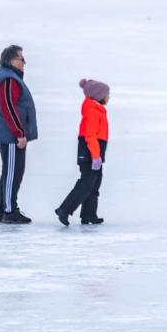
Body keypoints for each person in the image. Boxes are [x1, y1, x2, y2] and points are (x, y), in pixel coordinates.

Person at [0, 45, 38, 224]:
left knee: (12, 171)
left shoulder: (6, 76)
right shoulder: (8, 79)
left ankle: (4, 209)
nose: (24, 63)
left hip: (9, 133)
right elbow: (8, 107)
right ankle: (8, 211)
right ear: (11, 60)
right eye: (21, 59)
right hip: (11, 135)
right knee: (12, 173)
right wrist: (19, 133)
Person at [55, 79, 111, 226]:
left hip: (95, 152)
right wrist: (95, 156)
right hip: (90, 153)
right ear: (99, 96)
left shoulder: (98, 110)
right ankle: (64, 209)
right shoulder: (93, 112)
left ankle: (89, 214)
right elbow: (90, 136)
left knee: (95, 183)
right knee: (86, 183)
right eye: (107, 94)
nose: (109, 97)